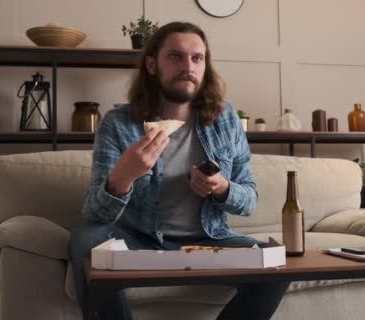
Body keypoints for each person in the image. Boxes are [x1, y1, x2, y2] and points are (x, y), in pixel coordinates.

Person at [68, 21, 290, 320]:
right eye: (175, 56)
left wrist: (222, 188)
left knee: (277, 263)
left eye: (197, 58)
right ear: (151, 64)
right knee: (84, 239)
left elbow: (249, 199)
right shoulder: (118, 123)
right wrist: (124, 176)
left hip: (210, 239)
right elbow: (94, 216)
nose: (188, 66)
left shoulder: (225, 119)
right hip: (138, 239)